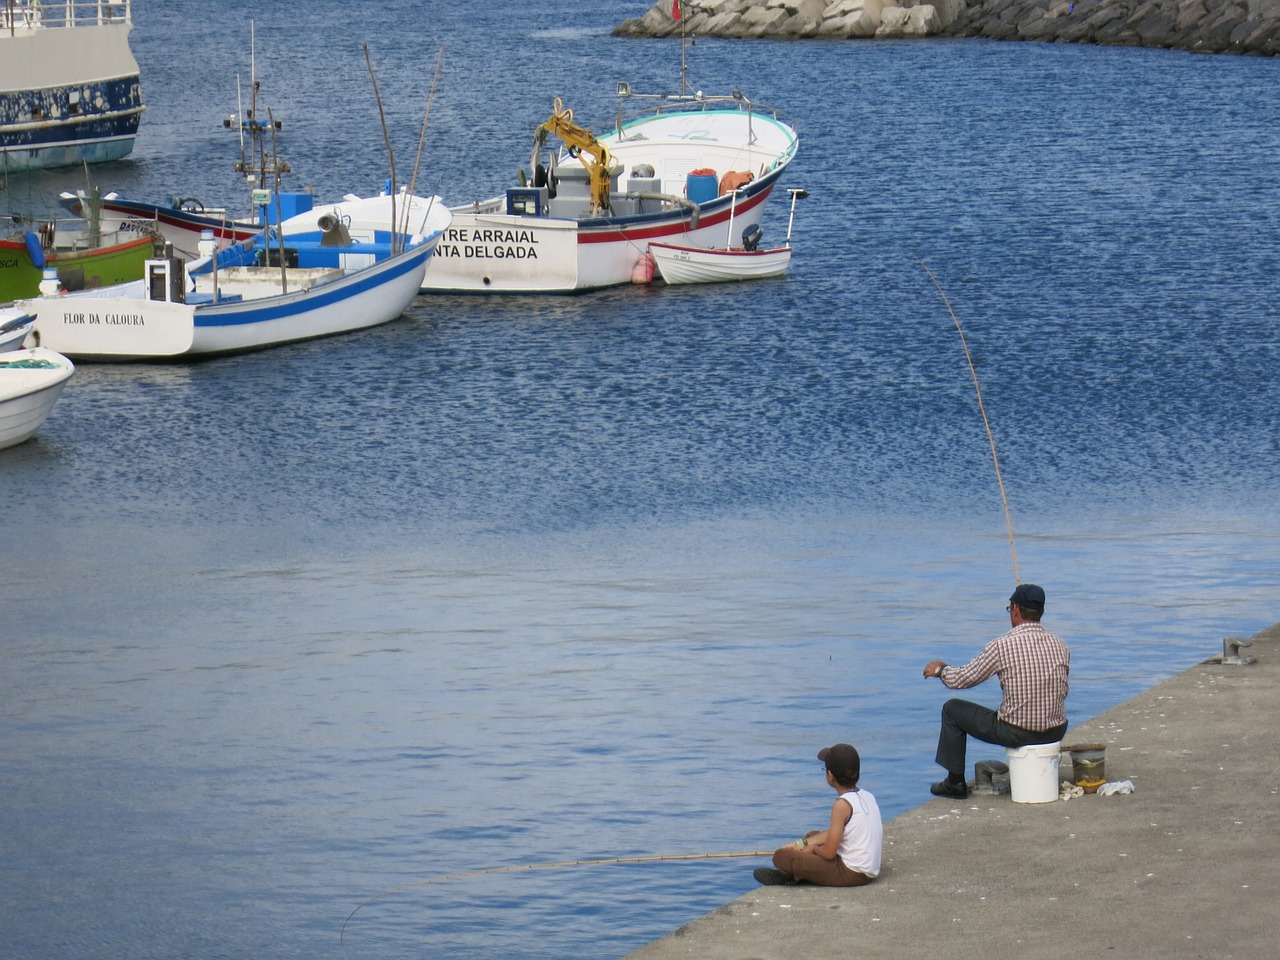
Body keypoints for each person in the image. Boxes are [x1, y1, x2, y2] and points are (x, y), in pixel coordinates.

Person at [922, 582, 1070, 800]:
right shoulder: (1061, 645)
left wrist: (940, 670)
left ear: (1016, 610)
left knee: (952, 709)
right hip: (1056, 730)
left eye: (1010, 608)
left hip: (1016, 732)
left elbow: (962, 679)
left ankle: (954, 783)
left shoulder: (1002, 646)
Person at [753, 743, 883, 887]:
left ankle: (789, 876)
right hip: (866, 869)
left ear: (830, 776)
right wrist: (801, 844)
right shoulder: (867, 796)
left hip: (851, 873)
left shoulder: (842, 805)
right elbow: (835, 834)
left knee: (781, 857)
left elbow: (828, 854)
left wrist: (812, 849)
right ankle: (797, 874)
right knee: (812, 835)